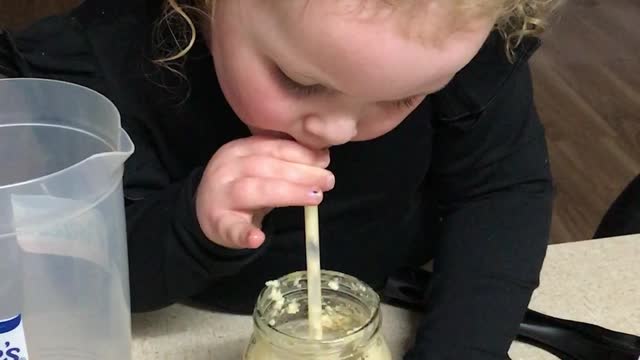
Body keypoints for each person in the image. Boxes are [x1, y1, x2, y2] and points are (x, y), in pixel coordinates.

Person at [0, 0, 560, 357]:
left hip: (391, 302)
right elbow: (81, 278)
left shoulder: (468, 43)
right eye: (299, 80)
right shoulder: (109, 63)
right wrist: (192, 223)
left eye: (400, 98)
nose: (337, 128)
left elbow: (501, 194)